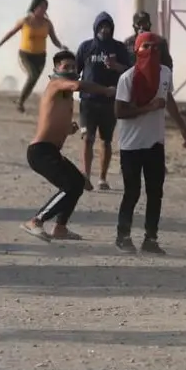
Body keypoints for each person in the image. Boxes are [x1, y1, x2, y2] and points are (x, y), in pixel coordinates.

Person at [19, 50, 116, 242]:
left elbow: (54, 120)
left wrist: (68, 129)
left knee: (79, 183)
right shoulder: (56, 84)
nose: (70, 70)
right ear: (56, 68)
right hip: (40, 151)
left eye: (73, 67)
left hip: (52, 151)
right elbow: (78, 84)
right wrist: (105, 90)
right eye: (66, 66)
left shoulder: (65, 95)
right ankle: (36, 221)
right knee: (70, 185)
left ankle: (60, 228)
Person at [114, 32, 186, 254]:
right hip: (131, 146)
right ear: (137, 49)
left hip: (155, 144)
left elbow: (168, 99)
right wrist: (148, 108)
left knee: (155, 192)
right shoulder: (127, 78)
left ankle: (150, 238)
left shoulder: (165, 73)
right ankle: (123, 235)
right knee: (132, 191)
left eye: (156, 47)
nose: (151, 51)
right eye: (146, 46)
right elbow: (120, 111)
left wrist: (184, 130)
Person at [76, 12, 131, 191]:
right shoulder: (86, 47)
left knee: (105, 140)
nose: (104, 30)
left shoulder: (119, 48)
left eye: (107, 27)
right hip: (88, 101)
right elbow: (75, 71)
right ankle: (85, 175)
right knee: (87, 138)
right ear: (96, 27)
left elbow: (130, 71)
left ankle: (102, 177)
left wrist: (116, 67)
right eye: (101, 26)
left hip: (109, 101)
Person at [0, 0, 64, 113]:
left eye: (46, 8)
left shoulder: (47, 23)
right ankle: (20, 102)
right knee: (33, 75)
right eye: (41, 7)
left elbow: (54, 39)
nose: (44, 10)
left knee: (33, 80)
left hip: (41, 56)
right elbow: (11, 33)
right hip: (25, 55)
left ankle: (21, 101)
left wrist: (61, 46)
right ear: (34, 7)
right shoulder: (25, 21)